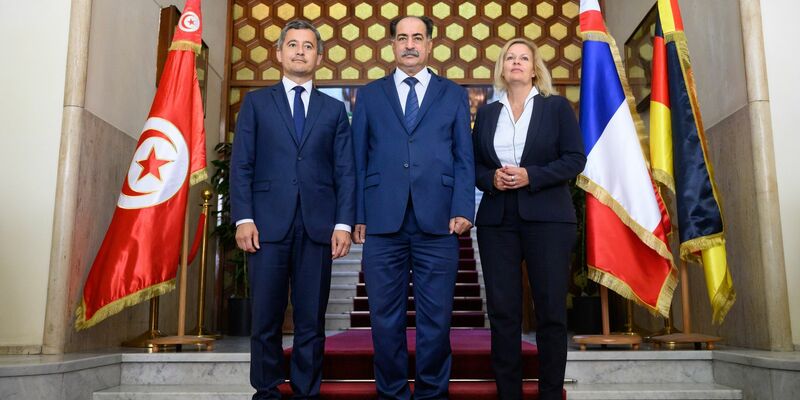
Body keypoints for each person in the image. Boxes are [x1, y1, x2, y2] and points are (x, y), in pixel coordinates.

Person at [351, 15, 475, 400]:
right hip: (381, 222)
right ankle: (390, 392)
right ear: (391, 45)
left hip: (438, 221)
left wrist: (463, 209)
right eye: (402, 38)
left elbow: (463, 158)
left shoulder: (453, 94)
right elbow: (357, 159)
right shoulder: (369, 95)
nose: (409, 44)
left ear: (430, 44)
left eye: (417, 38)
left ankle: (431, 393)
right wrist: (357, 215)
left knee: (435, 319)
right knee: (384, 320)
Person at [230, 19, 355, 400]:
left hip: (318, 227)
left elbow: (345, 170)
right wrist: (244, 217)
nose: (300, 51)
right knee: (265, 317)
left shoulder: (333, 110)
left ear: (319, 56)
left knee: (310, 319)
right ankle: (266, 389)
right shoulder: (256, 103)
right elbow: (243, 164)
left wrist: (344, 223)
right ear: (279, 53)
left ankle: (306, 389)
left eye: (308, 46)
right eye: (293, 45)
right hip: (266, 226)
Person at [472, 37, 586, 400]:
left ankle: (550, 393)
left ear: (535, 67)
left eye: (524, 57)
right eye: (510, 57)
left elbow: (574, 159)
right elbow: (473, 166)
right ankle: (510, 393)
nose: (517, 62)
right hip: (497, 221)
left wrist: (530, 175)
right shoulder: (488, 113)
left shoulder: (557, 108)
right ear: (502, 67)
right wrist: (491, 178)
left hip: (548, 221)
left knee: (551, 311)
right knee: (504, 313)